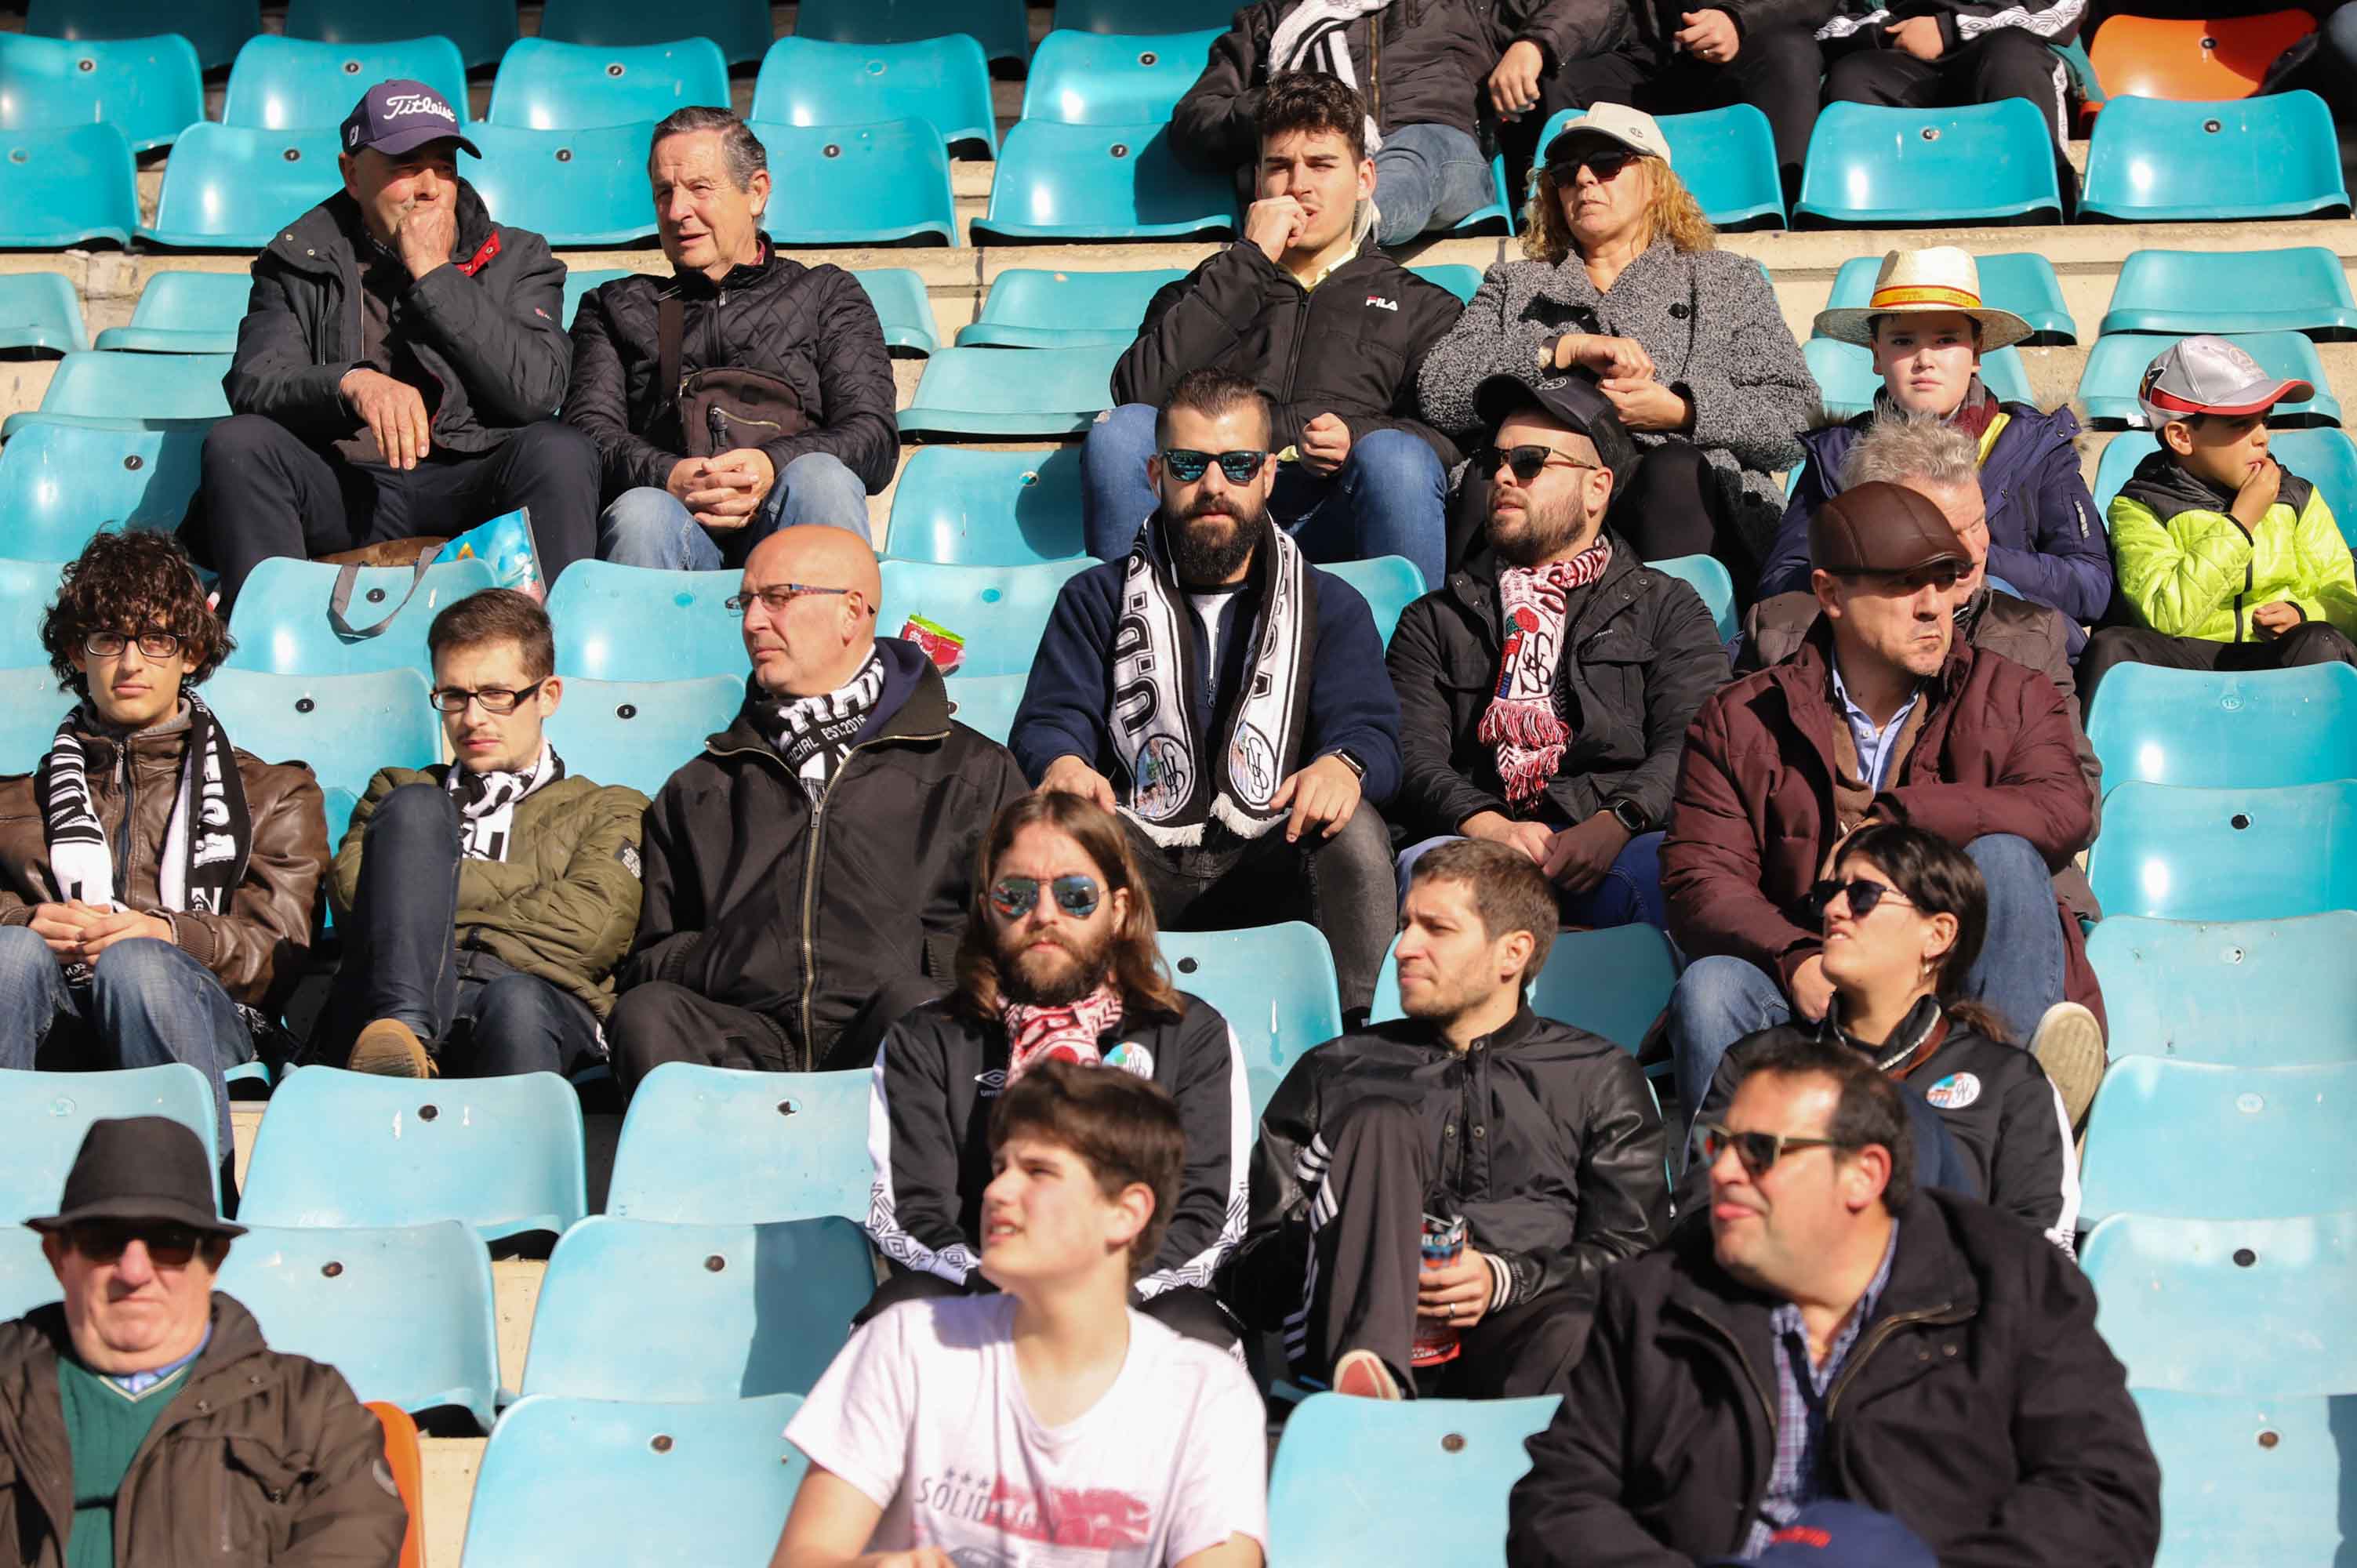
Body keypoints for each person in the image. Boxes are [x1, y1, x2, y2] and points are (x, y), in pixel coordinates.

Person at [1506, 1039, 2162, 1566]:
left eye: (1760, 1152)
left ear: (1864, 1175)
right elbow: (1558, 1503)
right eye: (1719, 1146)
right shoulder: (1656, 1297)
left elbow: (2104, 1495)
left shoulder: (2009, 1288)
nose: (1725, 1172)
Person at [1660, 481, 2105, 1132]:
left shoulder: (2013, 691)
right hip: (1817, 988)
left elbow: (2064, 812)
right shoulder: (1742, 717)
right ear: (1830, 593)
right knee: (1713, 986)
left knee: (2006, 859)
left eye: (1945, 579)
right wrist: (1795, 958)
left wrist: (1902, 815)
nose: (1935, 607)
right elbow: (1698, 879)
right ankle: (1743, 1210)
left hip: (1960, 991)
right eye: (1903, 584)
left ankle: (2010, 1127)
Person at [1012, 371, 1402, 1018]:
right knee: (1064, 830)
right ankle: (1060, 1034)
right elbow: (1048, 721)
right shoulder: (1096, 599)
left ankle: (1361, 1045)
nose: (1214, 486)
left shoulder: (1329, 604)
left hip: (1273, 848)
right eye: (1190, 464)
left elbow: (1376, 737)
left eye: (1240, 465)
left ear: (1269, 477)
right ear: (1155, 475)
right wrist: (1063, 763)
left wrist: (1343, 764)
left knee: (1352, 826)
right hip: (1139, 853)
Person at [774, 1060, 1268, 1568]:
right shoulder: (906, 1343)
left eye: (1038, 1171)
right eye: (999, 1168)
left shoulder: (1206, 1395)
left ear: (1127, 1212)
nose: (996, 1192)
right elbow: (803, 1557)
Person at [1223, 839, 1668, 1400]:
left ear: (1513, 953)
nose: (1404, 947)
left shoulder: (1597, 1075)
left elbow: (1632, 1254)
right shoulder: (1336, 1070)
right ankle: (1373, 1380)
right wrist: (1335, 1221)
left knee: (1575, 1336)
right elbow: (1250, 1277)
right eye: (1406, 924)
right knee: (1378, 1121)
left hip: (1525, 1335)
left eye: (1437, 929)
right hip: (1341, 1338)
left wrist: (1502, 1280)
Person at [612, 526, 1031, 1091]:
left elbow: (1024, 929)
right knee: (647, 1017)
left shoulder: (971, 770)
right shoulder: (702, 786)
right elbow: (649, 959)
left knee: (927, 1010)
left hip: (891, 1032)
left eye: (778, 598)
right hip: (745, 1037)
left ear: (852, 613)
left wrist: (902, 956)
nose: (753, 622)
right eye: (746, 602)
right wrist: (732, 953)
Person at [191, 80, 597, 612]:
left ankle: (551, 653)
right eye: (406, 167)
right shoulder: (298, 256)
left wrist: (434, 274)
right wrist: (350, 383)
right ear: (351, 176)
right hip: (349, 482)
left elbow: (536, 392)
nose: (430, 187)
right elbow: (256, 379)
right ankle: (272, 646)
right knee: (238, 443)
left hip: (472, 480)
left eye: (445, 166)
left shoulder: (519, 255)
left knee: (560, 450)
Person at [863, 792, 1248, 1349]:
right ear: (987, 907)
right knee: (898, 1318)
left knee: (1195, 1331)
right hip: (978, 1289)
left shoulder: (1189, 1034)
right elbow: (911, 1211)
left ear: (1118, 910)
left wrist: (1104, 1294)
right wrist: (1004, 1290)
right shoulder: (927, 1037)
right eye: (1016, 895)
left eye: (1074, 896)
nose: (1044, 916)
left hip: (1137, 1298)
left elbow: (1210, 1212)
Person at [0, 532, 326, 1181]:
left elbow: (280, 952)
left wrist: (172, 935)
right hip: (52, 1010)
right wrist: (21, 922)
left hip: (204, 1014)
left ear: (192, 652)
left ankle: (189, 1205)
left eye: (156, 640)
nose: (130, 663)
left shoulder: (273, 792)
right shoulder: (13, 801)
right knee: (10, 954)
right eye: (107, 639)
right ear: (76, 652)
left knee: (139, 965)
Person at [1418, 105, 1817, 587]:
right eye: (1565, 172)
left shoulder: (1725, 281)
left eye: (1607, 163)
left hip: (1672, 494)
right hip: (1539, 486)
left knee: (1674, 470)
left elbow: (1796, 421)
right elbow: (1439, 390)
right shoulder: (1513, 284)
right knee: (1496, 475)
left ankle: (1684, 651)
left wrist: (1683, 412)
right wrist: (1559, 348)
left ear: (1656, 182)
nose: (1584, 179)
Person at [1089, 74, 1464, 586]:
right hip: (1216, 510)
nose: (1298, 185)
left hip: (1339, 513)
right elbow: (1140, 392)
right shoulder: (1209, 288)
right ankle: (1137, 640)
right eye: (1280, 166)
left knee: (1397, 457)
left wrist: (1360, 437)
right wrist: (1249, 262)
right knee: (1121, 431)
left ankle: (1411, 659)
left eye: (1321, 165)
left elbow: (1454, 439)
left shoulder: (1423, 305)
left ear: (1365, 180)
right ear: (1258, 180)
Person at [1740, 414, 2105, 937]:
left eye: (1978, 523)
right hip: (1824, 905)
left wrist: (1904, 820)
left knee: (2004, 859)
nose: (1974, 550)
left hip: (1988, 904)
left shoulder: (2030, 637)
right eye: (1945, 532)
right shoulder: (1782, 632)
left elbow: (2078, 801)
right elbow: (1735, 805)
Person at [1387, 375, 1727, 931]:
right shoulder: (1436, 617)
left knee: (1675, 868)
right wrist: (1489, 824)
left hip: (1620, 841)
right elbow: (1412, 753)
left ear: (1597, 488)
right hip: (1477, 842)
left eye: (1529, 461)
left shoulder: (1666, 607)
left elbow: (1697, 739)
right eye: (1492, 460)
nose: (1501, 477)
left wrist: (1618, 820)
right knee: (1432, 875)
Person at [0, 1116, 410, 1564]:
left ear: (213, 1258)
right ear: (59, 1257)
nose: (135, 1272)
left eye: (169, 1243)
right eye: (104, 1241)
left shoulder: (311, 1408)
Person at [1690, 824, 2083, 1249]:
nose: (1834, 910)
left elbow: (2038, 1266)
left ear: (1938, 934)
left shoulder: (2008, 1083)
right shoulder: (1754, 1066)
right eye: (1829, 895)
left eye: (1863, 896)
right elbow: (1695, 1223)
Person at [325, 590, 648, 1080]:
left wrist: (423, 881)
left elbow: (587, 932)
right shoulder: (398, 791)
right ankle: (405, 1036)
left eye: (496, 695)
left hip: (535, 998)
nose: (473, 719)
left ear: (548, 696)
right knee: (417, 809)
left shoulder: (610, 808)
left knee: (514, 1002)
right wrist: (530, 886)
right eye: (453, 696)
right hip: (386, 998)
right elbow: (356, 901)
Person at [566, 107, 895, 570]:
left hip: (791, 522)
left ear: (756, 192)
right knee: (640, 511)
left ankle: (830, 638)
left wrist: (770, 466)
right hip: (673, 525)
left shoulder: (826, 294)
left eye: (700, 188)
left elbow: (874, 439)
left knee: (821, 479)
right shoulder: (615, 307)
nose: (677, 211)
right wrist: (670, 477)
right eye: (664, 193)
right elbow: (586, 437)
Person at [1758, 248, 2110, 637]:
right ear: (1877, 354)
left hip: (2002, 658)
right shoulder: (1835, 453)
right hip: (1872, 657)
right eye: (1903, 340)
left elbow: (2091, 586)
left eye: (1945, 339)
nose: (1924, 358)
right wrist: (1880, 566)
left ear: (1976, 352)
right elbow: (1780, 582)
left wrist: (1975, 559)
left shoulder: (2036, 445)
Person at [2079, 334, 2357, 706]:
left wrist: (2302, 613)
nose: (2262, 438)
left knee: (2320, 641)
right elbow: (2167, 614)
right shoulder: (2141, 506)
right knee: (2112, 648)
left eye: (2264, 420)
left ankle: (2321, 761)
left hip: (2281, 664)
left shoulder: (2297, 498)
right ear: (2181, 437)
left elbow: (2345, 598)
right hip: (2188, 666)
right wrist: (2240, 523)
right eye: (2240, 424)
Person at [1173, 2, 1499, 248]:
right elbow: (1195, 123)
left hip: (1446, 158)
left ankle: (1353, 227)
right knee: (1306, 162)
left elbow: (1549, 9)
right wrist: (1282, 106)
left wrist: (1534, 46)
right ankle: (1328, 231)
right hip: (1327, 163)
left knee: (1419, 145)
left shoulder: (1462, 5)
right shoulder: (1273, 17)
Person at [1508, 0, 1828, 205]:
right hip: (1642, 59)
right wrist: (1539, 45)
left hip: (1745, 53)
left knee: (1790, 52)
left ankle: (1786, 212)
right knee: (1555, 75)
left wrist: (1736, 19)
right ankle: (1561, 219)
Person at [1815, 0, 2083, 160]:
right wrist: (1892, 31)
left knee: (2011, 58)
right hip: (1900, 52)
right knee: (1853, 76)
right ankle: (1879, 221)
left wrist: (1949, 28)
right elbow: (1824, 21)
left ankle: (2035, 211)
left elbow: (2064, 7)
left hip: (2006, 46)